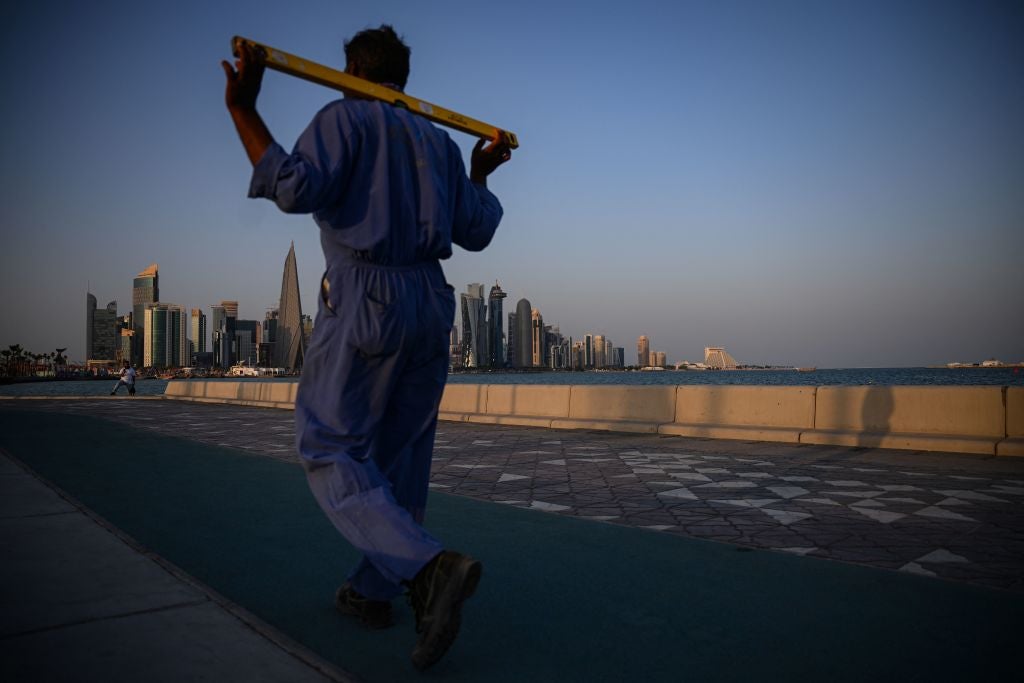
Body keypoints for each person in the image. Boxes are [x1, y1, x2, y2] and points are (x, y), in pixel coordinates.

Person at [221, 25, 511, 670]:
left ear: (348, 69)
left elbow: (294, 188)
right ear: (403, 77)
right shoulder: (436, 142)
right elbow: (478, 228)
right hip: (429, 303)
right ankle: (374, 591)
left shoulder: (343, 119)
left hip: (365, 294)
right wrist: (477, 172)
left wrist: (243, 108)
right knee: (400, 456)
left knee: (329, 444)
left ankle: (426, 567)